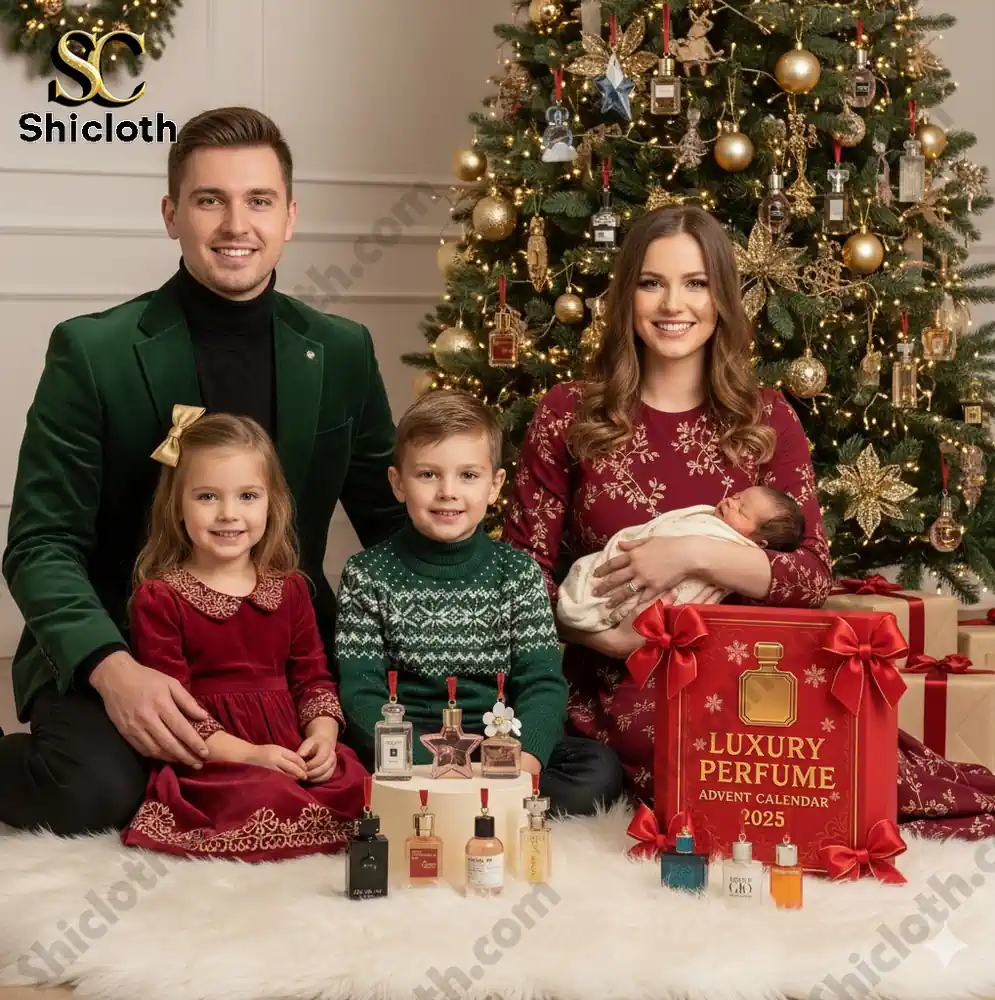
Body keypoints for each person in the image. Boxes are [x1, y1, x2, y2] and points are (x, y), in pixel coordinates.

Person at [503, 204, 995, 839]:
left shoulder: (768, 419)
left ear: (722, 299)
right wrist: (608, 642)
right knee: (699, 779)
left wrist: (693, 555)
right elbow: (520, 573)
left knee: (859, 782)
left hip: (750, 676)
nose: (673, 305)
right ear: (627, 294)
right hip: (616, 686)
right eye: (652, 283)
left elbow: (810, 577)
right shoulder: (570, 412)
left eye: (696, 283)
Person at [0, 106, 405, 836]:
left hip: (281, 659)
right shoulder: (93, 352)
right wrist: (113, 670)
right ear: (172, 215)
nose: (235, 225)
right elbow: (39, 543)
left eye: (259, 200)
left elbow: (391, 522)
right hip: (133, 647)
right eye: (209, 200)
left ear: (290, 216)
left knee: (384, 770)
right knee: (97, 793)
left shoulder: (343, 350)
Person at [337, 390, 623, 816]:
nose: (448, 492)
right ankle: (465, 801)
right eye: (428, 475)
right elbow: (361, 690)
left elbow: (541, 680)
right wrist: (430, 763)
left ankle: (483, 799)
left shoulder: (517, 573)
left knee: (598, 770)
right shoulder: (367, 574)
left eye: (468, 475)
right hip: (409, 743)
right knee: (343, 772)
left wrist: (525, 760)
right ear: (398, 483)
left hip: (499, 742)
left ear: (495, 486)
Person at [121, 411, 367, 860]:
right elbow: (176, 712)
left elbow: (313, 678)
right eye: (207, 496)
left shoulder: (290, 588)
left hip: (289, 744)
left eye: (248, 496)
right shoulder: (160, 598)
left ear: (272, 503)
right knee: (263, 794)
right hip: (216, 754)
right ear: (177, 504)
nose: (229, 514)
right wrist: (252, 755)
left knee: (359, 785)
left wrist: (323, 738)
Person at [558, 486, 803, 631]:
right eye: (737, 496)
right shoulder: (706, 516)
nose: (731, 502)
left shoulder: (732, 545)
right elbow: (667, 529)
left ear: (760, 544)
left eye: (742, 511)